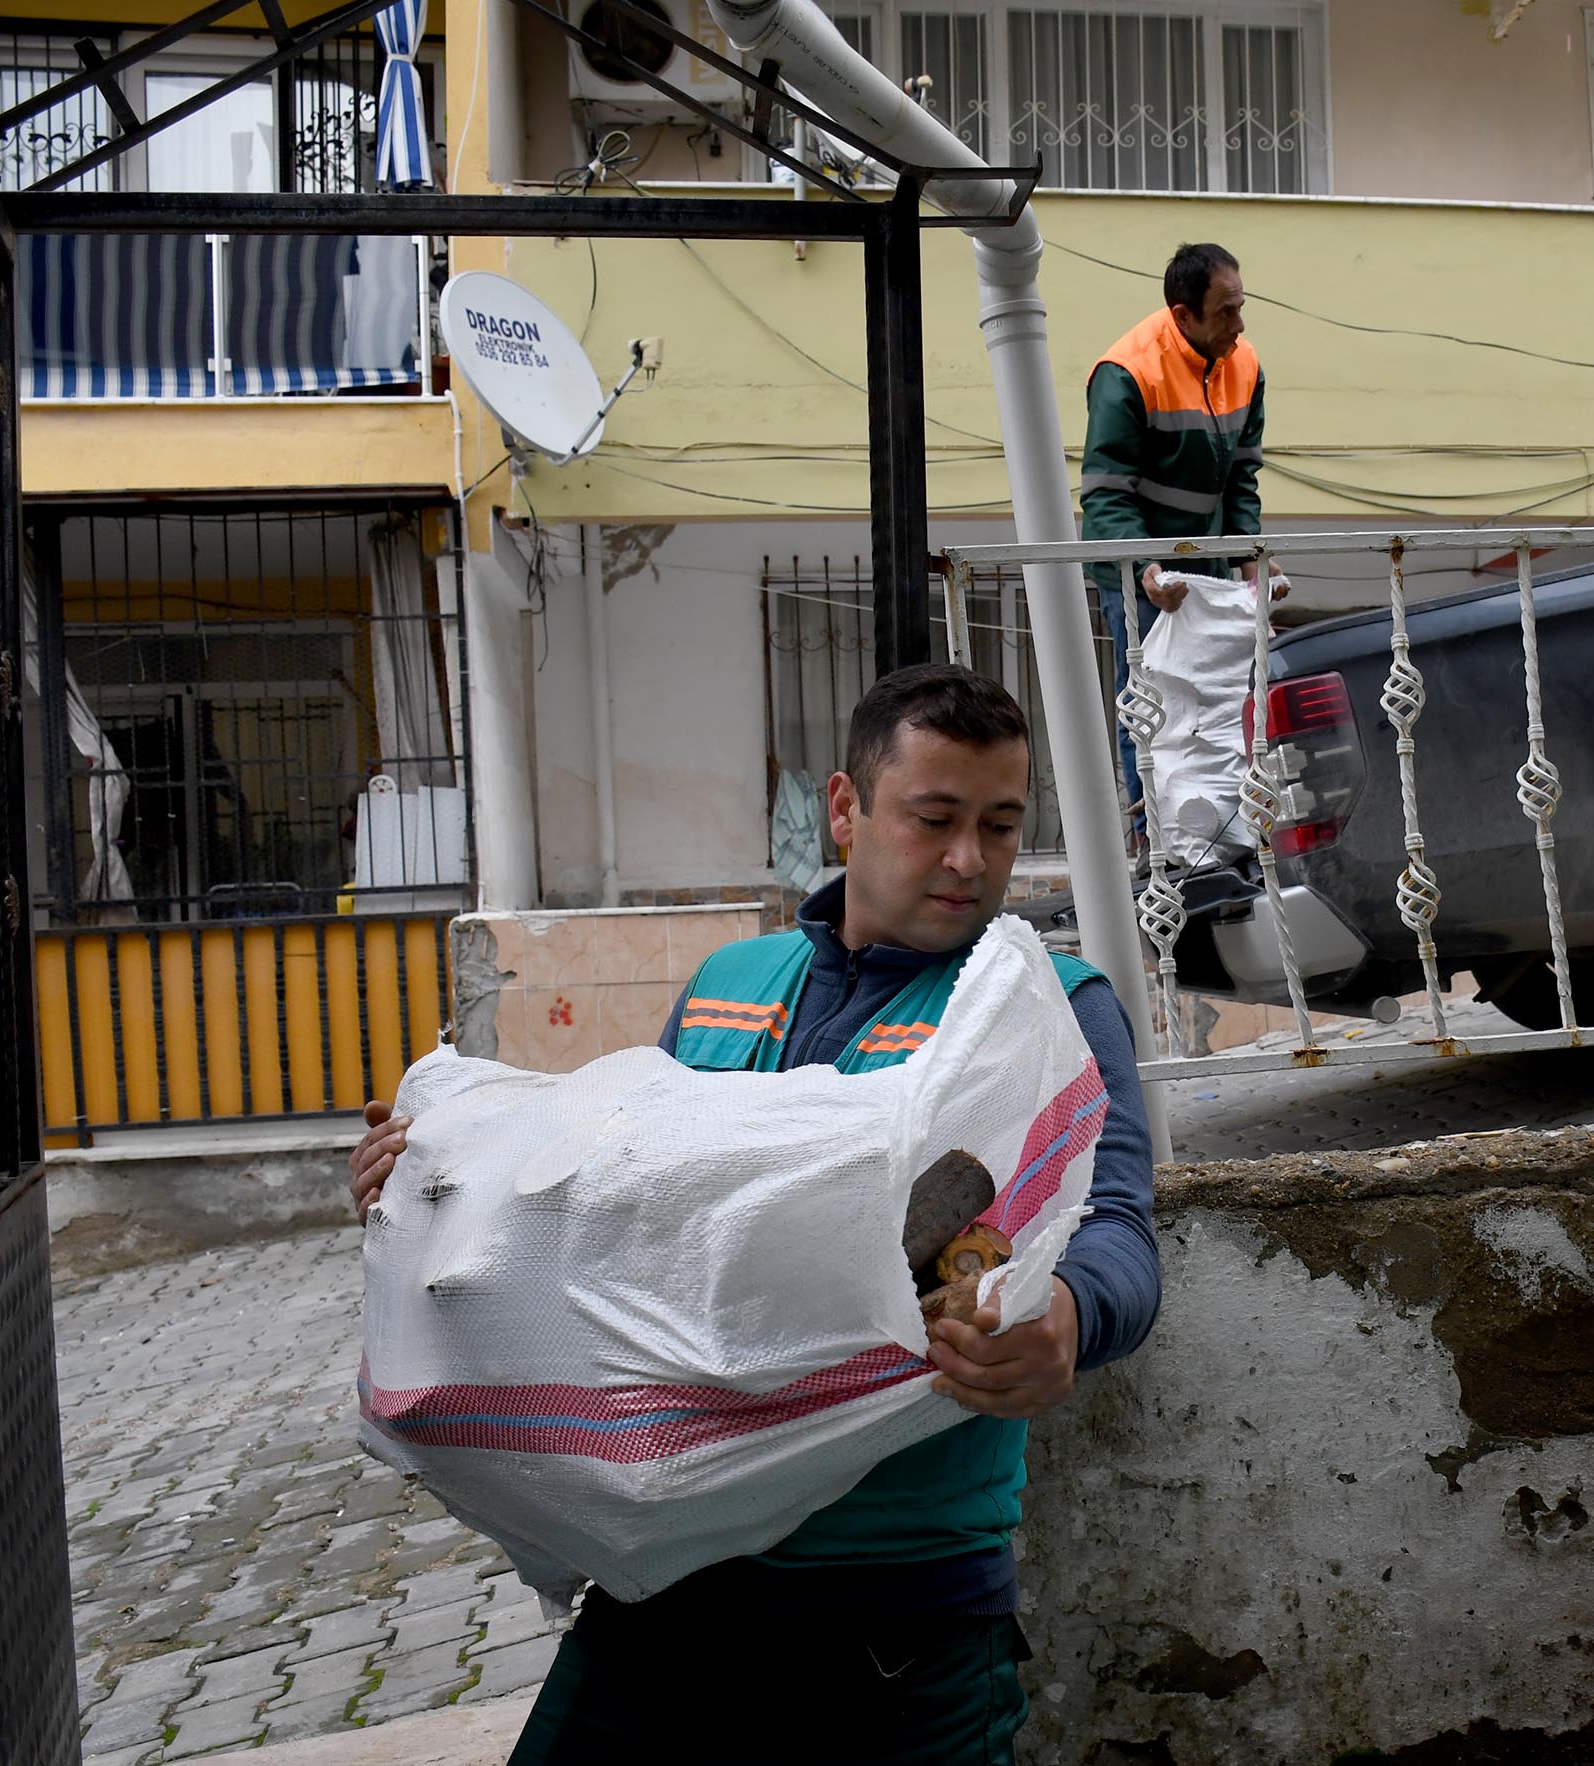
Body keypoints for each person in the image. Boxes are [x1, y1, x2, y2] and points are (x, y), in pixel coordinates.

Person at [346, 664, 1160, 1763]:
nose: (971, 859)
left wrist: (1066, 1309)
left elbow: (1115, 1225)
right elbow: (613, 1201)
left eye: (1002, 825)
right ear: (845, 808)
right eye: (935, 818)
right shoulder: (732, 981)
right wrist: (428, 1179)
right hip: (677, 1575)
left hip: (898, 1608)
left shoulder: (1042, 1009)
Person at [1079, 240, 1277, 834]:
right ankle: (1155, 840)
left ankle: (1221, 832)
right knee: (1151, 705)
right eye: (1226, 312)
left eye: (1242, 307)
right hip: (1143, 574)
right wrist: (1146, 566)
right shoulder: (1128, 372)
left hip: (1206, 568)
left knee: (1218, 701)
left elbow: (1242, 477)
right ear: (1182, 315)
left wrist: (1248, 562)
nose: (1239, 326)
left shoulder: (1244, 364)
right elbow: (1106, 494)